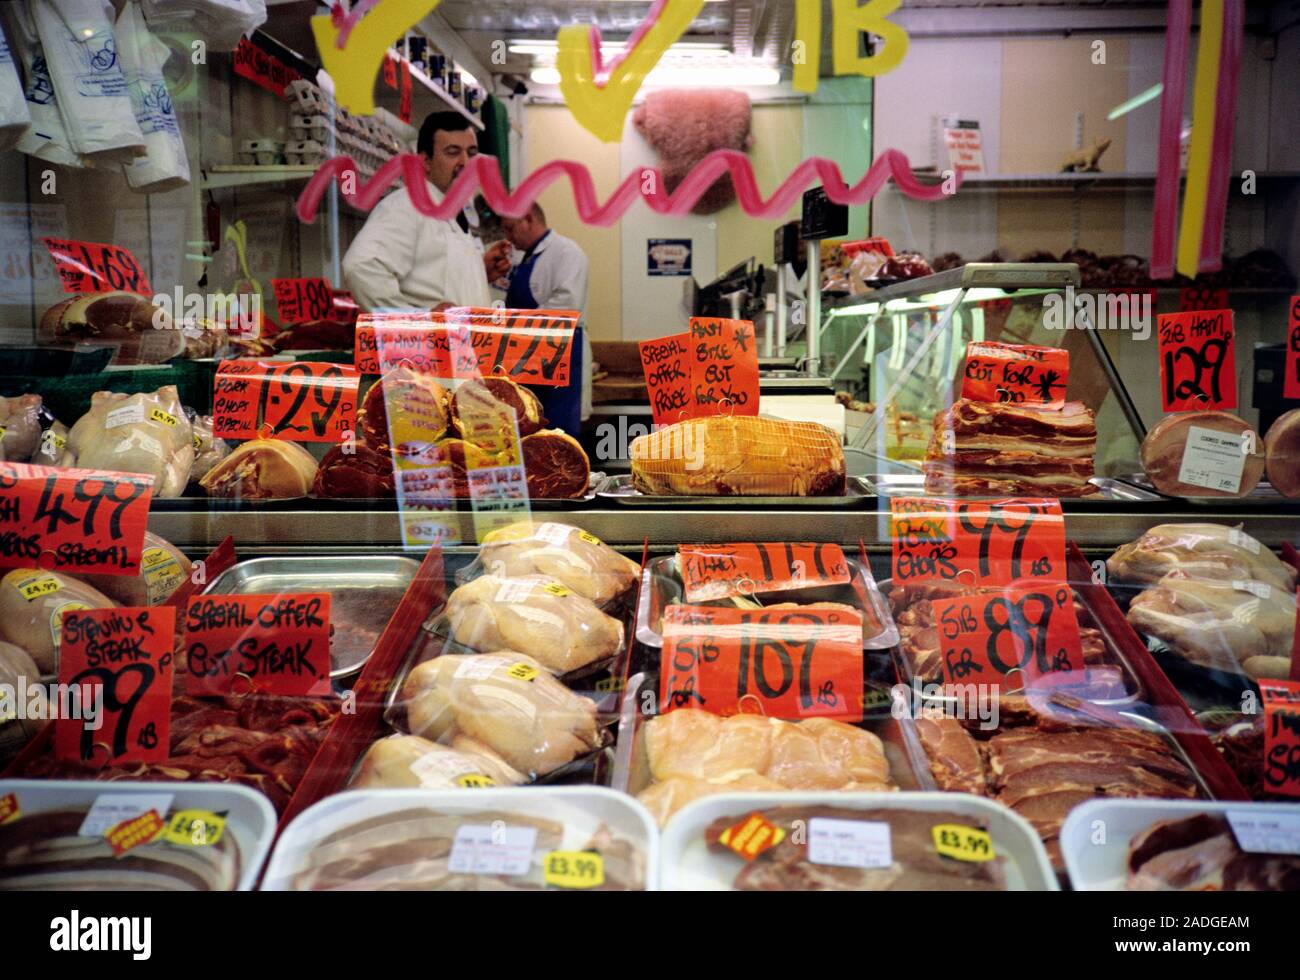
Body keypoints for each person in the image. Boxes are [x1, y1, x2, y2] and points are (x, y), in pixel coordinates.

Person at [343, 111, 511, 312]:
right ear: (425, 161)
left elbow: (434, 284)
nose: (465, 162)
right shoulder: (406, 205)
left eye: (472, 153)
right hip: (432, 344)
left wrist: (478, 271)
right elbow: (361, 267)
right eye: (453, 152)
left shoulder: (456, 212)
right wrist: (417, 321)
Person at [500, 203, 592, 436]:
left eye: (511, 229)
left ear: (528, 219)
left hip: (561, 356)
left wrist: (516, 326)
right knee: (529, 432)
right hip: (526, 359)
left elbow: (567, 306)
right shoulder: (524, 259)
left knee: (558, 436)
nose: (508, 238)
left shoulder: (566, 252)